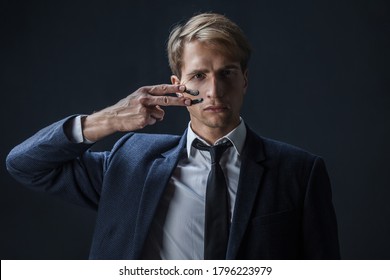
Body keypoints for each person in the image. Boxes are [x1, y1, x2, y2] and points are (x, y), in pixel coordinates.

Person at [6, 12, 340, 259]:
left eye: (227, 73)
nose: (213, 91)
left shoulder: (299, 172)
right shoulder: (131, 162)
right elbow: (25, 164)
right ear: (178, 85)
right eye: (199, 75)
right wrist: (108, 120)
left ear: (245, 80)